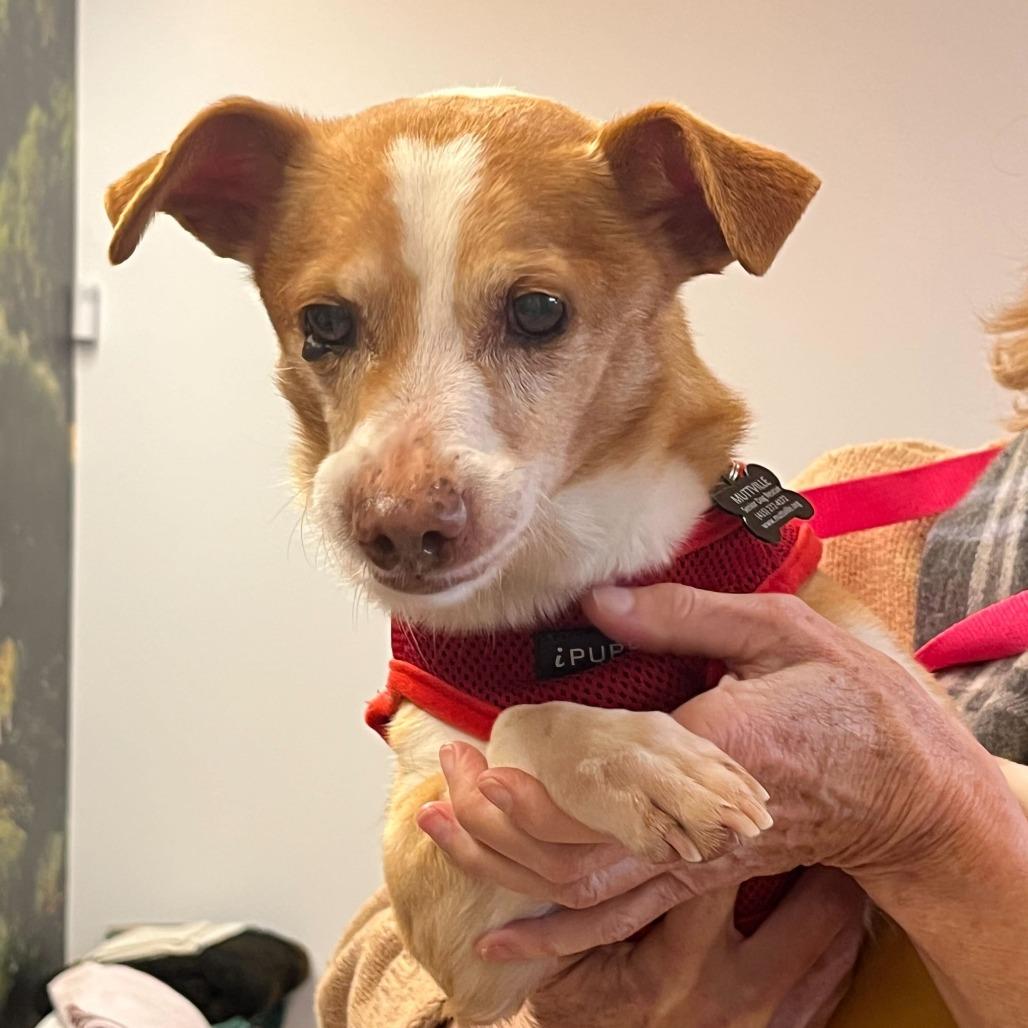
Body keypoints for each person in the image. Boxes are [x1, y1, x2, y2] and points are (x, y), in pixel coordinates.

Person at [316, 290, 1028, 1028]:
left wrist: (935, 824)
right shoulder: (825, 522)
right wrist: (570, 1012)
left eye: (534, 319)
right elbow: (371, 973)